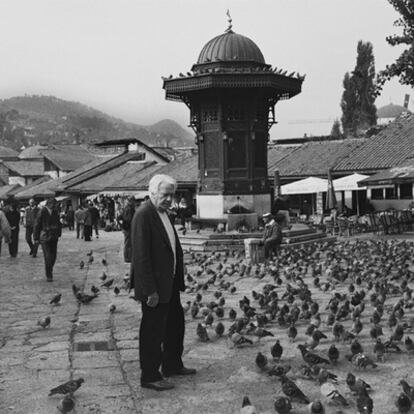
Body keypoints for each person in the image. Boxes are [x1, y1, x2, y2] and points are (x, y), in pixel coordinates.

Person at [130, 174, 196, 391]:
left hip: (170, 283)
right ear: (152, 193)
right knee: (152, 331)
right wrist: (150, 290)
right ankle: (149, 375)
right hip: (155, 287)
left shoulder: (163, 213)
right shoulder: (144, 215)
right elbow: (140, 257)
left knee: (175, 326)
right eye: (165, 194)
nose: (169, 199)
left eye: (172, 195)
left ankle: (172, 364)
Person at [33, 198, 62, 282]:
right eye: (54, 204)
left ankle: (49, 268)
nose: (56, 206)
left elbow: (58, 223)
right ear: (50, 204)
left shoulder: (55, 212)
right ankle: (49, 274)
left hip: (54, 236)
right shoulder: (42, 211)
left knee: (54, 256)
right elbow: (37, 224)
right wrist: (36, 238)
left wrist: (59, 233)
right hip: (45, 237)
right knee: (48, 256)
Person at [119, 196, 137, 263]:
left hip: (126, 228)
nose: (134, 202)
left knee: (128, 243)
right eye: (133, 201)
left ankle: (128, 257)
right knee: (128, 243)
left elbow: (120, 217)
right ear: (131, 201)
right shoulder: (129, 209)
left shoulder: (126, 208)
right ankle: (127, 258)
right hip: (128, 228)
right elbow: (129, 219)